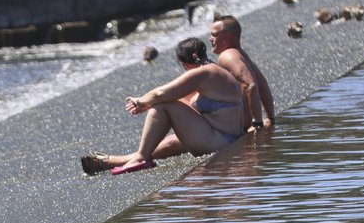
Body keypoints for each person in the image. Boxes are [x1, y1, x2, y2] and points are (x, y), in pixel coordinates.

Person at [80, 38, 243, 175]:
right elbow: (179, 96)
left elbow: (161, 94)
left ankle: (142, 158)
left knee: (163, 105)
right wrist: (149, 103)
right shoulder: (214, 71)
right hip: (223, 137)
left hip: (221, 141)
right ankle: (112, 162)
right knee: (166, 144)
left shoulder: (203, 73)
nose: (185, 70)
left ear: (192, 58)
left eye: (184, 65)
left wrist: (139, 101)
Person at [210, 15, 275, 130]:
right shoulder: (240, 54)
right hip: (242, 124)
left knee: (168, 144)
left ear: (228, 37)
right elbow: (262, 84)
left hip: (237, 127)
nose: (210, 39)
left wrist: (258, 124)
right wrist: (270, 118)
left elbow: (250, 85)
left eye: (214, 34)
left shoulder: (227, 56)